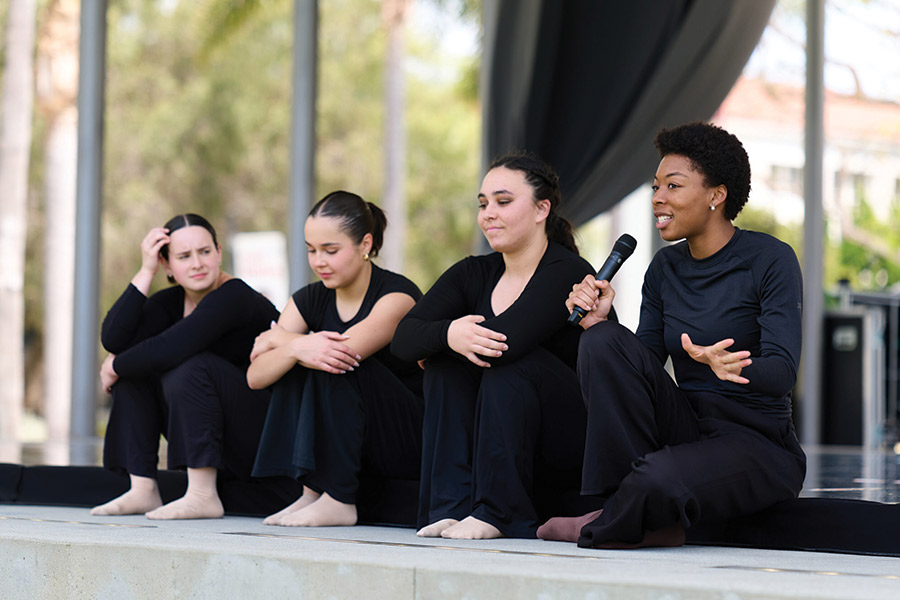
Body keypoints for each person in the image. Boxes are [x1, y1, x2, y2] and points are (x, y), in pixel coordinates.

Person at [537, 122, 807, 548]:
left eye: (673, 186)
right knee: (602, 341)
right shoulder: (665, 267)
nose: (657, 198)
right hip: (688, 428)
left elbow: (782, 372)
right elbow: (640, 367)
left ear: (716, 195)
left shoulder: (770, 259)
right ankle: (627, 509)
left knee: (659, 477)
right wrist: (601, 324)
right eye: (656, 186)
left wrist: (730, 365)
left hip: (756, 443)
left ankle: (615, 517)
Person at [391, 151, 601, 540]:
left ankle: (500, 513)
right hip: (500, 442)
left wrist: (441, 340)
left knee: (508, 363)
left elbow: (506, 342)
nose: (489, 214)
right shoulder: (474, 272)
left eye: (503, 202)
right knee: (445, 365)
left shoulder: (568, 271)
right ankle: (451, 507)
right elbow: (403, 338)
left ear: (541, 209)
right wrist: (448, 335)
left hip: (569, 443)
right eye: (483, 204)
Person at [247, 191, 423, 528]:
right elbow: (255, 376)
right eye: (311, 250)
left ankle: (339, 500)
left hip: (405, 437)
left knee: (333, 361)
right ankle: (312, 493)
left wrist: (281, 339)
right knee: (298, 359)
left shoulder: (396, 296)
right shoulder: (309, 298)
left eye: (330, 250)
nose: (318, 262)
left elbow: (341, 352)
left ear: (365, 244)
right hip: (354, 440)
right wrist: (294, 348)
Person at [92, 213, 281, 519]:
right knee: (135, 371)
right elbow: (114, 339)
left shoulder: (235, 296)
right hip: (222, 434)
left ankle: (202, 495)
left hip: (267, 436)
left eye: (205, 252)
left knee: (191, 365)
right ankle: (143, 489)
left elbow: (172, 347)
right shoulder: (170, 302)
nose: (197, 264)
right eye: (183, 256)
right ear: (167, 265)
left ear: (218, 253)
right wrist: (146, 270)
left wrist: (115, 366)